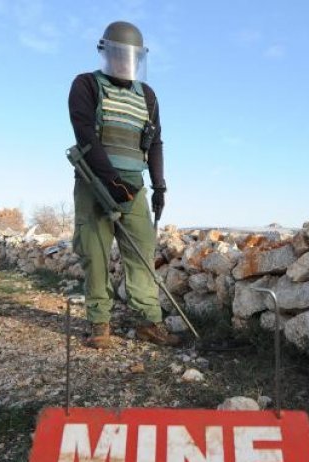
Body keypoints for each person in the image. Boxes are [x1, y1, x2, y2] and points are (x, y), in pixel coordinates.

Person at [68, 21, 181, 349]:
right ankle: (99, 324)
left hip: (134, 188)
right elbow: (85, 135)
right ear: (106, 53)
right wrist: (110, 181)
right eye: (118, 55)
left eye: (130, 57)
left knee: (143, 252)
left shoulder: (147, 95)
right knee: (96, 252)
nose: (123, 62)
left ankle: (150, 322)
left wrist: (159, 185)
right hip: (94, 184)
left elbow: (155, 141)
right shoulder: (87, 85)